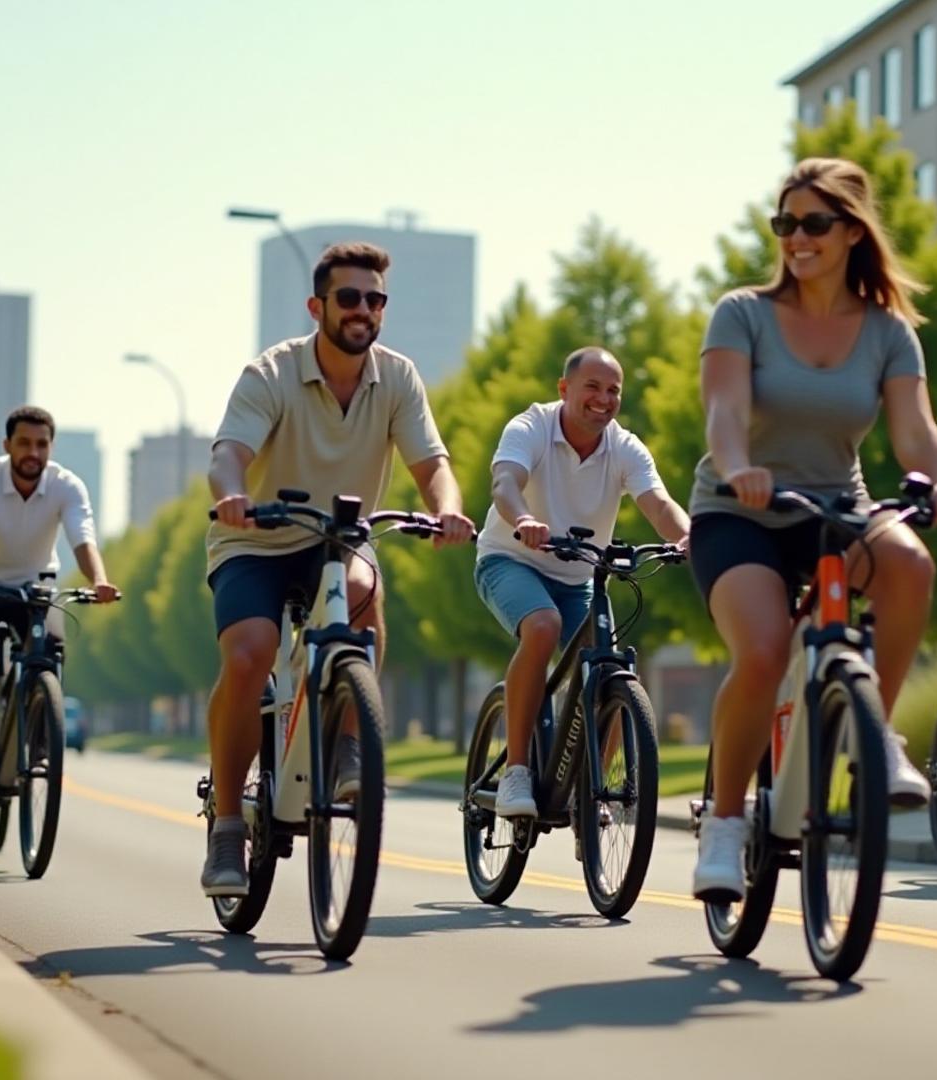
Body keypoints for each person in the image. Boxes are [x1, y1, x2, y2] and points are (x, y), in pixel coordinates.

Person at [689, 158, 937, 900]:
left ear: (851, 231)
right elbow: (723, 411)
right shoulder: (742, 313)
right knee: (762, 653)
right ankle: (725, 824)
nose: (797, 237)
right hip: (739, 510)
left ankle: (876, 731)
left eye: (814, 222)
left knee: (909, 564)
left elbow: (916, 430)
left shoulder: (887, 332)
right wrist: (739, 466)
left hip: (836, 509)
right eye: (784, 223)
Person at [202, 241, 475, 897]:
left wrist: (446, 509)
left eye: (375, 299)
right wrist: (232, 495)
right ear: (316, 306)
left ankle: (350, 745)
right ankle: (228, 823)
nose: (363, 310)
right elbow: (228, 455)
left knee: (361, 597)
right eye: (349, 297)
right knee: (250, 654)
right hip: (257, 540)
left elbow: (432, 464)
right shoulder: (272, 373)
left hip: (340, 541)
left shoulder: (398, 378)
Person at [477, 346, 690, 819]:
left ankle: (589, 790)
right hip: (511, 559)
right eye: (592, 386)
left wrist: (687, 535)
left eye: (614, 390)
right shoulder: (530, 426)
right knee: (543, 626)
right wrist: (524, 518)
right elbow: (505, 483)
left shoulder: (624, 447)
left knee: (610, 670)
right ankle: (516, 771)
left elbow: (657, 503)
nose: (603, 398)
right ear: (564, 388)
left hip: (579, 576)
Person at [0, 406, 119, 788]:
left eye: (41, 444)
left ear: (51, 448)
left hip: (34, 587)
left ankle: (39, 743)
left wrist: (99, 579)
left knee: (48, 652)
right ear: (7, 445)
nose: (33, 453)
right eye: (23, 443)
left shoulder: (66, 485)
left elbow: (83, 537)